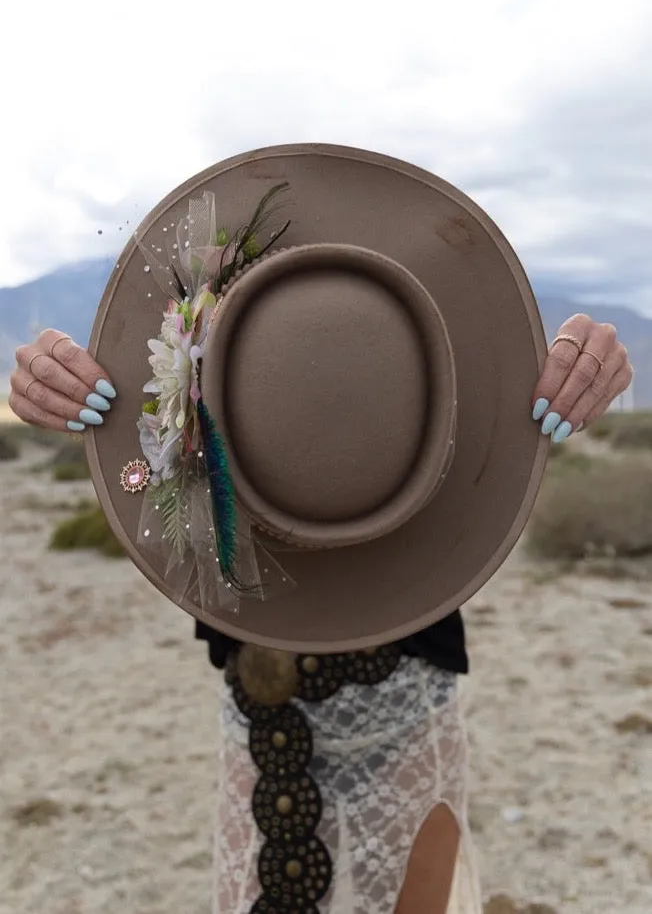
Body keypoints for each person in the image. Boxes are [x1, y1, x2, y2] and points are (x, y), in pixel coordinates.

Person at [8, 312, 633, 914]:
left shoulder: (417, 316)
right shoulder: (208, 288)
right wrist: (83, 396)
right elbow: (146, 456)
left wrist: (574, 364)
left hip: (408, 702)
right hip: (255, 709)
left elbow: (496, 396)